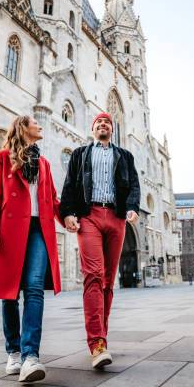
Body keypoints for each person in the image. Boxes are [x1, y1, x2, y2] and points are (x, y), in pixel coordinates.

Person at [0, 115, 63, 383]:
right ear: (24, 128)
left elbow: (52, 199)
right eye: (36, 122)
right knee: (9, 292)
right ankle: (13, 351)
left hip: (39, 229)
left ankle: (30, 356)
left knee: (34, 288)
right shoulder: (2, 158)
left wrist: (68, 217)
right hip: (10, 229)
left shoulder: (45, 164)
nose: (40, 126)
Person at [60, 112, 140, 369]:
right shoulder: (80, 154)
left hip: (116, 218)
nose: (103, 125)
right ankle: (97, 343)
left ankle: (101, 336)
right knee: (93, 275)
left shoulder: (125, 156)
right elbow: (70, 185)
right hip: (90, 216)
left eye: (107, 122)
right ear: (92, 128)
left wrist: (132, 207)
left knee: (108, 280)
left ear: (112, 130)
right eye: (99, 122)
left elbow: (134, 186)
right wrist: (68, 213)